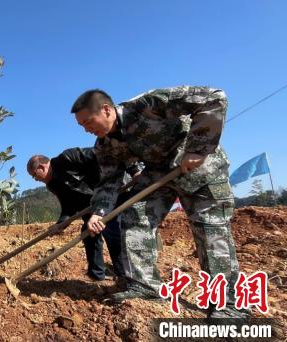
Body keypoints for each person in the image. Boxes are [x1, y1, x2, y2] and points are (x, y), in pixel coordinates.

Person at [71, 86, 245, 318]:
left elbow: (213, 97)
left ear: (106, 109)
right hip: (159, 174)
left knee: (209, 230)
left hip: (200, 169)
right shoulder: (105, 145)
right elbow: (109, 181)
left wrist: (198, 148)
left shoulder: (147, 105)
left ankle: (229, 303)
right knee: (135, 216)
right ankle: (145, 286)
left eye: (88, 122)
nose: (86, 129)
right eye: (82, 126)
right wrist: (99, 211)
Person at [27, 148, 139, 280]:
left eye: (34, 175)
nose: (35, 179)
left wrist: (134, 171)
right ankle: (97, 276)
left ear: (42, 167)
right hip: (91, 207)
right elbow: (68, 207)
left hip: (112, 191)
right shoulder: (53, 185)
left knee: (111, 229)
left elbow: (106, 155)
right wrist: (60, 224)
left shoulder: (68, 158)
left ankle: (125, 275)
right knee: (88, 232)